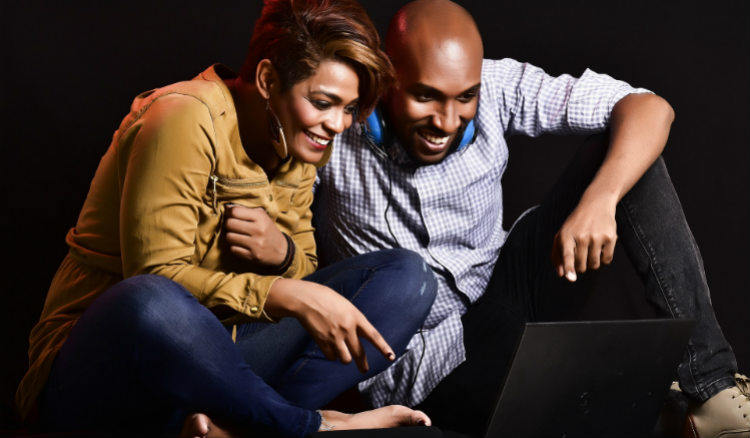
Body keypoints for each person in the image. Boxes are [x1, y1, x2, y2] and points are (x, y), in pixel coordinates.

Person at [312, 0, 749, 436]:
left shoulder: (497, 85)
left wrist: (600, 198)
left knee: (625, 156)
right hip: (425, 367)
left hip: (506, 294)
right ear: (387, 78)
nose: (446, 121)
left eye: (465, 97)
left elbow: (650, 108)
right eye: (425, 96)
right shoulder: (335, 124)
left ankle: (712, 393)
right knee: (604, 412)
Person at [15, 0, 438, 436]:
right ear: (268, 79)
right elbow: (156, 278)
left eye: (348, 108)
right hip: (105, 372)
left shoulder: (301, 142)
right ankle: (307, 427)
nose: (337, 124)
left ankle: (231, 428)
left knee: (408, 278)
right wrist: (285, 293)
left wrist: (283, 255)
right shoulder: (182, 116)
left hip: (224, 371)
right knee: (148, 297)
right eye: (323, 102)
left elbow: (305, 272)